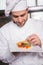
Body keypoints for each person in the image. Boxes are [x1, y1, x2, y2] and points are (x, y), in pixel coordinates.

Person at [0, 0, 43, 65]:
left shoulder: (40, 25)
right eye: (15, 16)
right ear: (10, 14)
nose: (20, 20)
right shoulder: (4, 31)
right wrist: (14, 52)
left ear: (27, 10)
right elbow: (3, 57)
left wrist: (41, 44)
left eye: (22, 15)